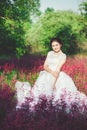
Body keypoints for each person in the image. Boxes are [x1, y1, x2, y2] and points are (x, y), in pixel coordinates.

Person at [15, 37, 87, 111]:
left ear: (60, 45)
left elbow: (58, 70)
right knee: (38, 94)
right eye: (53, 46)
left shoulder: (63, 56)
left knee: (59, 95)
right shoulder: (50, 53)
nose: (55, 47)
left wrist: (53, 84)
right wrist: (51, 72)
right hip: (47, 74)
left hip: (58, 76)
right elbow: (45, 66)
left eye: (56, 45)